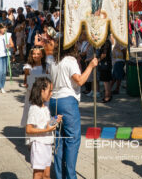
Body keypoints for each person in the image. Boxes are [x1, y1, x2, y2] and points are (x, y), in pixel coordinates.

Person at [49, 39, 97, 179]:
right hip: (67, 102)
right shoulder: (70, 61)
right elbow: (79, 80)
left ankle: (60, 175)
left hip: (54, 101)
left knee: (59, 139)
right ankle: (70, 175)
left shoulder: (53, 62)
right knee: (72, 139)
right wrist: (91, 66)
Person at [26, 76, 61, 179]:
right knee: (38, 174)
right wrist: (47, 130)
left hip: (47, 144)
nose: (51, 93)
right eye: (50, 91)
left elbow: (45, 124)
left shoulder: (45, 107)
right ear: (42, 90)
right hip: (39, 145)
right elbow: (29, 129)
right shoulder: (34, 108)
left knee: (46, 175)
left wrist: (54, 120)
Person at [21, 46, 47, 127]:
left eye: (38, 54)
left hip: (43, 94)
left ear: (42, 55)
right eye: (34, 54)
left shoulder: (46, 67)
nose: (36, 56)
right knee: (31, 112)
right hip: (32, 94)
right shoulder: (28, 67)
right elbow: (26, 81)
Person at [98, 38, 113, 103]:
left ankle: (107, 97)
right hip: (107, 64)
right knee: (107, 81)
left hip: (105, 64)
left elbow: (104, 54)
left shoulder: (106, 42)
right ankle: (109, 95)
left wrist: (98, 60)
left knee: (106, 82)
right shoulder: (107, 41)